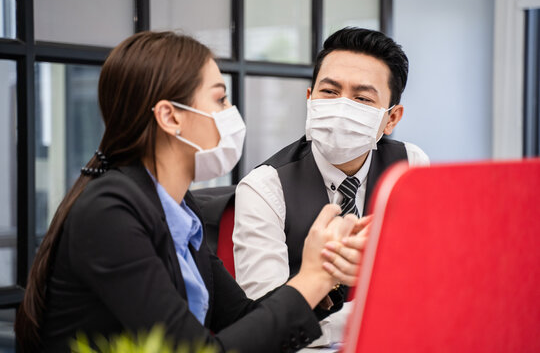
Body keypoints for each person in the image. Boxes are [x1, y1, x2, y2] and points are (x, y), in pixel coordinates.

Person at [14, 31, 370, 353]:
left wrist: (327, 274)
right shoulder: (110, 213)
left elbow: (244, 318)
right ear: (170, 117)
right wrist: (311, 278)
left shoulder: (180, 209)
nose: (231, 113)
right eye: (219, 100)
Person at [233, 27, 430, 345]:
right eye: (329, 92)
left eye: (362, 98)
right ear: (310, 99)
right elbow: (265, 320)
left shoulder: (411, 168)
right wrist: (385, 314)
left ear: (391, 119)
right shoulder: (264, 187)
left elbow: (429, 280)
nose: (342, 107)